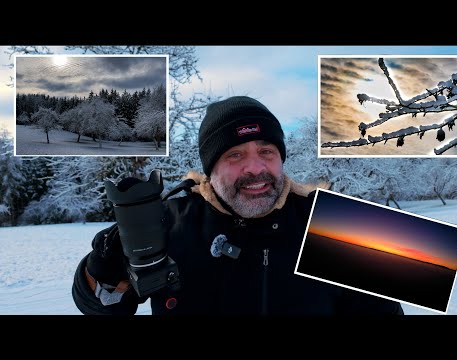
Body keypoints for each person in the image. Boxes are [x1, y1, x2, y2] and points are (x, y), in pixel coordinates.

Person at [72, 96, 404, 315]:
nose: (255, 168)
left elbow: (409, 291)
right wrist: (102, 265)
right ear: (210, 169)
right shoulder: (172, 222)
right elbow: (100, 305)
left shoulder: (331, 222)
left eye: (267, 152)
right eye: (235, 155)